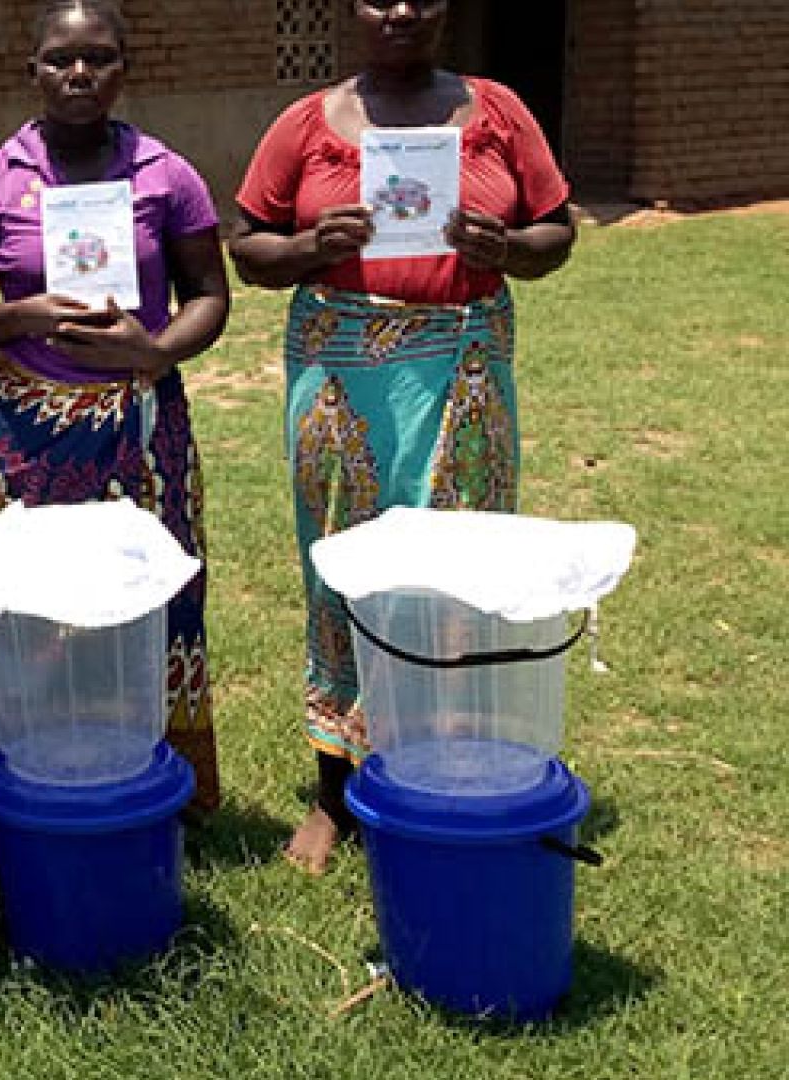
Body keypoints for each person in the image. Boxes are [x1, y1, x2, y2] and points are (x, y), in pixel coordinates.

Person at [227, 0, 576, 873]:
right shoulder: (306, 124)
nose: (402, 10)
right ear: (352, 9)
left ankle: (444, 765)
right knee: (340, 561)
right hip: (339, 371)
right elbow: (248, 248)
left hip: (462, 367)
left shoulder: (497, 112)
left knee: (459, 568)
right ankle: (334, 789)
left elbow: (556, 231)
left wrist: (509, 247)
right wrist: (311, 244)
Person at [0, 0, 231, 812]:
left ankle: (149, 777)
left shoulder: (165, 175)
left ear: (122, 69)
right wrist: (24, 317)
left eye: (98, 58)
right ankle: (7, 777)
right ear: (32, 70)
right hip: (21, 430)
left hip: (139, 422)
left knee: (147, 597)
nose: (78, 73)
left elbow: (210, 291)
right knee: (14, 602)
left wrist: (159, 350)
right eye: (60, 59)